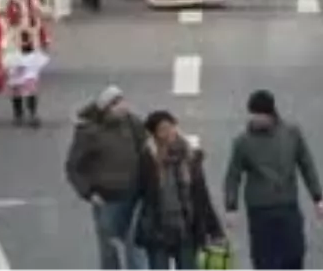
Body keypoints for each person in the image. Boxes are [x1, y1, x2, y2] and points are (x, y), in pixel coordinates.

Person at [223, 89, 323, 271]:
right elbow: (233, 176)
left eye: (260, 115)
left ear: (271, 114)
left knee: (294, 254)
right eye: (253, 115)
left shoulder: (291, 134)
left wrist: (318, 198)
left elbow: (306, 165)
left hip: (287, 204)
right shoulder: (243, 142)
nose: (256, 119)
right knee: (264, 259)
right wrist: (231, 207)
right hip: (260, 209)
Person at [65, 85, 148, 271]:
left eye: (123, 101)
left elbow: (145, 149)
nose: (124, 106)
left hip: (134, 195)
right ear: (107, 108)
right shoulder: (88, 132)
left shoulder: (132, 123)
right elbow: (74, 167)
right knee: (110, 247)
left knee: (136, 244)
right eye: (117, 103)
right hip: (106, 199)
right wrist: (88, 192)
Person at [135, 109, 226, 271]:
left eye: (171, 127)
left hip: (186, 228)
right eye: (163, 130)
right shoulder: (147, 160)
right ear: (154, 135)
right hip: (158, 231)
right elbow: (137, 192)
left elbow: (201, 196)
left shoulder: (190, 157)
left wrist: (215, 230)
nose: (169, 133)